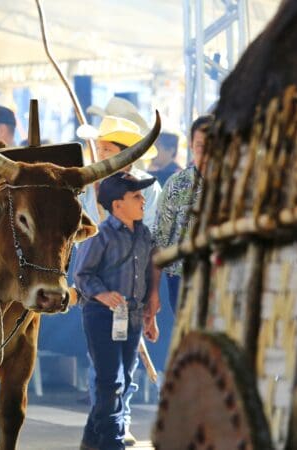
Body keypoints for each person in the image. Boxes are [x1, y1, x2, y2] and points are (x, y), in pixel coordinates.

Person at [74, 172, 160, 450]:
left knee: (124, 375)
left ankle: (91, 439)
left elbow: (146, 274)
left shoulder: (144, 235)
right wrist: (101, 293)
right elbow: (82, 275)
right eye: (135, 196)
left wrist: (150, 314)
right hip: (101, 316)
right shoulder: (100, 235)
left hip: (132, 317)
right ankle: (113, 441)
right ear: (117, 205)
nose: (142, 200)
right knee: (111, 380)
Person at [154, 115, 212, 313]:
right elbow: (159, 241)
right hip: (182, 280)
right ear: (191, 147)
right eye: (200, 145)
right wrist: (153, 294)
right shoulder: (177, 184)